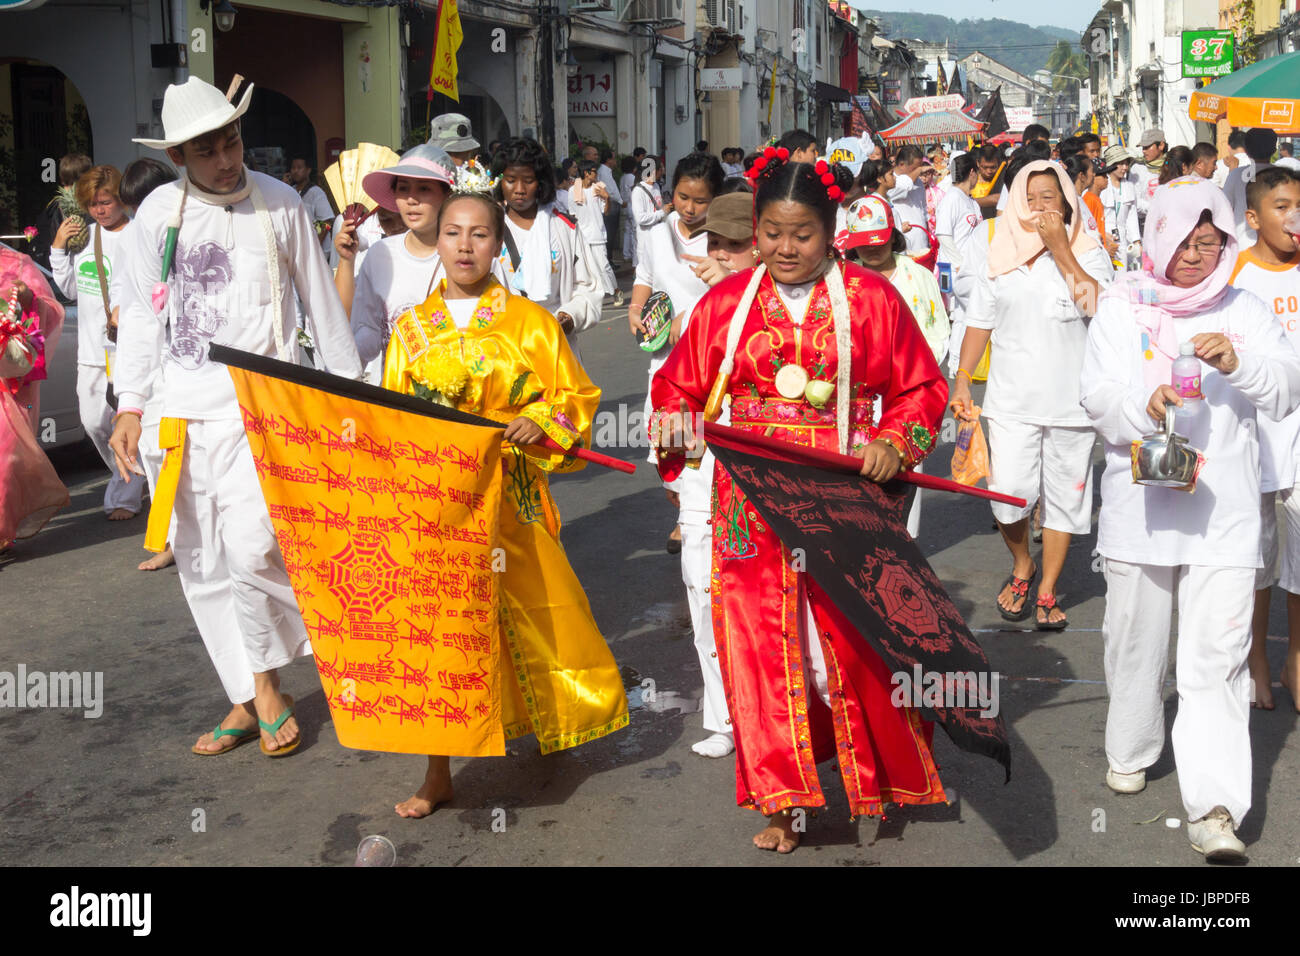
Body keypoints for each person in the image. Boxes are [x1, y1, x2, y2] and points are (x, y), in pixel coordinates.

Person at [651, 152, 949, 854]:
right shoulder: (725, 305)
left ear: (831, 231)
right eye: (773, 233)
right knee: (760, 649)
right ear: (756, 230)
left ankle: (869, 777)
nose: (786, 249)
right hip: (748, 507)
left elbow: (919, 389)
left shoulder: (871, 301)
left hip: (844, 497)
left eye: (803, 235)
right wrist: (676, 423)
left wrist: (894, 444)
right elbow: (677, 391)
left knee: (847, 646)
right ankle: (782, 799)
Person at [109, 76, 364, 757]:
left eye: (233, 142)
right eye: (207, 151)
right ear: (178, 157)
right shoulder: (157, 217)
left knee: (254, 548)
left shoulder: (280, 204)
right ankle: (251, 695)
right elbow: (140, 317)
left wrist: (352, 401)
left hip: (264, 412)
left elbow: (320, 305)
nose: (226, 160)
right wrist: (130, 404)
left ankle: (276, 678)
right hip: (177, 418)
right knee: (200, 560)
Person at [382, 189, 627, 816]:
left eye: (480, 235)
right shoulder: (409, 332)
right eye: (453, 233)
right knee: (441, 633)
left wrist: (536, 419)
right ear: (436, 241)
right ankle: (437, 769)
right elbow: (391, 422)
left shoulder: (532, 324)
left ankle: (554, 723)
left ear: (500, 244)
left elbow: (574, 397)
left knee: (538, 615)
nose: (465, 246)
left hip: (513, 499)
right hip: (440, 507)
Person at [1080, 176, 1300, 862]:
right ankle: (1135, 740)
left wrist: (1242, 363)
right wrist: (1142, 405)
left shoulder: (1243, 308)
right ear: (1158, 239)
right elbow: (1097, 394)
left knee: (1218, 659)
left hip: (1224, 511)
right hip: (1141, 505)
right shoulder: (1122, 307)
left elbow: (1289, 383)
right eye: (1185, 242)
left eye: (1211, 243)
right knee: (1133, 638)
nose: (1198, 257)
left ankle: (1214, 807)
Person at [951, 160, 1113, 630]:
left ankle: (1047, 589)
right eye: (1033, 197)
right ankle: (1022, 562)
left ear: (1066, 200)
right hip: (1011, 400)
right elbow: (979, 320)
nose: (1042, 206)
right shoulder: (996, 249)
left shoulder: (1087, 247)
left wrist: (1062, 250)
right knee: (1010, 495)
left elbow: (1097, 308)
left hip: (1073, 403)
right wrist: (962, 378)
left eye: (1051, 197)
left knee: (1066, 499)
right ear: (1018, 201)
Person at [628, 151, 721, 563]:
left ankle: (694, 516)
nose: (690, 207)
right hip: (664, 358)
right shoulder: (656, 233)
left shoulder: (724, 240)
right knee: (665, 443)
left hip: (709, 357)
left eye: (700, 200)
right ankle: (687, 506)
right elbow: (644, 278)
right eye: (683, 197)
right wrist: (635, 312)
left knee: (700, 436)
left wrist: (697, 320)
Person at [840, 194, 950, 538]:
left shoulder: (919, 277)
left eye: (879, 241)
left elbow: (937, 336)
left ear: (893, 234)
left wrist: (904, 374)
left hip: (904, 396)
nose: (872, 251)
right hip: (851, 399)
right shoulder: (840, 278)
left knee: (900, 485)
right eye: (863, 244)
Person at [1232, 166, 1300, 712]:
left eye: (1298, 204)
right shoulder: (1233, 277)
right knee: (1256, 554)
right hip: (1253, 440)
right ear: (1253, 217)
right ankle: (1255, 656)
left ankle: (1295, 658)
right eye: (1281, 206)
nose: (1293, 216)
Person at [50, 164, 144, 522]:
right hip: (90, 353)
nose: (99, 210)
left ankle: (126, 493)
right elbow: (71, 290)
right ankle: (136, 474)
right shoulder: (85, 237)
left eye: (105, 202)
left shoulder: (138, 234)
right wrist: (58, 249)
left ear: (121, 199)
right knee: (94, 424)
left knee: (127, 420)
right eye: (92, 204)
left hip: (126, 350)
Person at [342, 143, 465, 387]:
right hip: (395, 397)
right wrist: (342, 376)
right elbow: (366, 330)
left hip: (461, 403)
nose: (411, 199)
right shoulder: (381, 255)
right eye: (403, 188)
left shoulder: (469, 255)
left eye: (424, 189)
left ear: (447, 195)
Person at [113, 157, 180, 571]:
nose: (142, 215)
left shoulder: (189, 224)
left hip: (186, 364)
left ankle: (186, 537)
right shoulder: (135, 234)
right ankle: (170, 537)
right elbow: (134, 302)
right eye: (135, 208)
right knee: (153, 453)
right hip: (147, 361)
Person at [490, 137, 604, 357]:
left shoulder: (565, 229)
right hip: (503, 350)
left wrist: (569, 317)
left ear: (541, 183)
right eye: (511, 180)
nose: (520, 189)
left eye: (529, 180)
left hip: (556, 347)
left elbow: (588, 287)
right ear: (500, 181)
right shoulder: (487, 228)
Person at [0, 246, 68, 549]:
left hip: (13, 382)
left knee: (6, 457)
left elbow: (49, 310)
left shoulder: (17, 264)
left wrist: (28, 298)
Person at [935, 152, 982, 375]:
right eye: (978, 173)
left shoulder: (969, 200)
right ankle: (954, 362)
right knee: (961, 316)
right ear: (971, 172)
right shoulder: (952, 198)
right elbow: (943, 235)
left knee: (966, 315)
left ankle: (959, 362)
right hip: (954, 268)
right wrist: (961, 263)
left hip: (969, 267)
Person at [570, 158, 619, 303]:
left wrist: (607, 199)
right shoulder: (573, 190)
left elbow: (606, 212)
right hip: (581, 236)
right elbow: (572, 213)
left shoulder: (598, 188)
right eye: (594, 172)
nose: (596, 174)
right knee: (589, 269)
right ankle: (597, 296)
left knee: (604, 266)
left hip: (597, 234)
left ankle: (616, 290)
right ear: (586, 173)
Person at [32, 153, 92, 271]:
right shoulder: (53, 209)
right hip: (57, 270)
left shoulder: (96, 207)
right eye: (67, 184)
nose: (70, 190)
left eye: (76, 183)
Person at [1225, 127, 1279, 247]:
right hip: (1276, 248)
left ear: (1247, 150)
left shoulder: (1235, 175)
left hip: (1241, 247)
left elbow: (1225, 209)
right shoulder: (1284, 176)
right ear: (1274, 150)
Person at [1101, 145, 1140, 269]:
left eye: (1126, 164)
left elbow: (1131, 216)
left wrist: (1136, 240)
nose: (1125, 168)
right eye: (1121, 164)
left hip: (1124, 240)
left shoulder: (1129, 186)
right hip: (1106, 239)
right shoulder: (1101, 185)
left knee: (1126, 274)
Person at [287, 155, 335, 254]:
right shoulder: (290, 190)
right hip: (299, 249)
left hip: (317, 250)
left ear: (308, 170)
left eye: (299, 168)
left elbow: (327, 222)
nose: (295, 171)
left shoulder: (316, 193)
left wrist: (315, 246)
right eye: (293, 168)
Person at [628, 155, 668, 268]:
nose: (663, 172)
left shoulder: (656, 186)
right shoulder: (638, 191)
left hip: (658, 237)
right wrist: (662, 212)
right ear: (654, 171)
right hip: (646, 240)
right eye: (661, 169)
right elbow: (640, 219)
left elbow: (658, 207)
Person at [1132, 128, 1167, 225]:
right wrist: (1155, 209)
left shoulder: (1171, 165)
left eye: (1147, 147)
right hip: (1145, 223)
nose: (1144, 151)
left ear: (1161, 145)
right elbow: (1135, 200)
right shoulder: (1137, 168)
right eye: (1143, 148)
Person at [597, 147, 624, 262]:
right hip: (610, 204)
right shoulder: (604, 172)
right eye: (614, 159)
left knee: (611, 233)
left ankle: (609, 259)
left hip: (613, 203)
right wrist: (622, 201)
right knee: (609, 233)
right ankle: (608, 260)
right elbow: (610, 191)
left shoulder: (606, 171)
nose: (615, 161)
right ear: (608, 160)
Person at [972, 143, 1005, 216]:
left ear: (998, 164)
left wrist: (970, 202)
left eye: (993, 167)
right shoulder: (970, 178)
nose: (989, 171)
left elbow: (1000, 198)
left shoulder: (1003, 178)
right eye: (985, 167)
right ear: (978, 163)